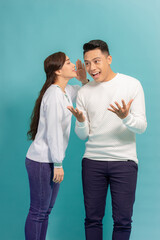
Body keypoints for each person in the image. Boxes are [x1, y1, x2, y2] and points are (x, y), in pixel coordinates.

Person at [68, 40, 147, 240]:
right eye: (87, 63)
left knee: (123, 221)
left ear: (108, 59)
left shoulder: (132, 84)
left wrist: (125, 117)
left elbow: (142, 126)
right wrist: (80, 121)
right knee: (92, 219)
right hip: (93, 162)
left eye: (97, 61)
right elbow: (83, 135)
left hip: (124, 162)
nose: (92, 68)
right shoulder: (84, 92)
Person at [25, 51, 87, 240]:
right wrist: (58, 163)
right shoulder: (53, 94)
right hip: (42, 161)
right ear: (58, 71)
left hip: (51, 159)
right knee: (38, 211)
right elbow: (52, 131)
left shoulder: (65, 91)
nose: (73, 65)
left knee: (46, 211)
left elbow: (84, 91)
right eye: (68, 62)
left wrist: (83, 79)